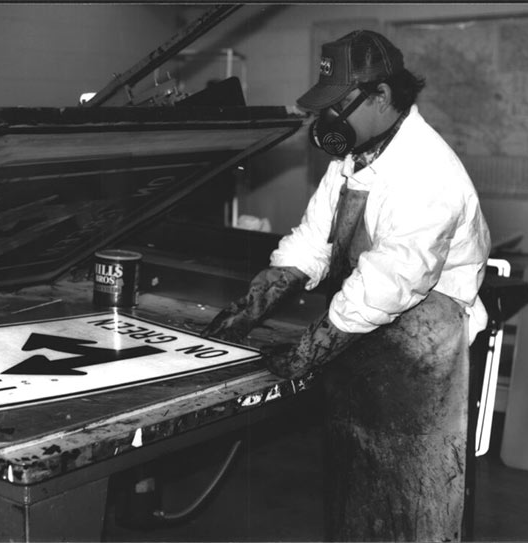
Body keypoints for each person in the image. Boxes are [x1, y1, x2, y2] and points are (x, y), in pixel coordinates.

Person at [201, 30, 491, 542]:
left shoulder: (428, 174)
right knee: (356, 486)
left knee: (413, 502)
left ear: (381, 96)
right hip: (366, 334)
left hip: (422, 350)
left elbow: (386, 286)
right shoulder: (353, 157)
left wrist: (301, 356)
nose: (327, 121)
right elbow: (314, 242)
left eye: (338, 106)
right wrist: (250, 307)